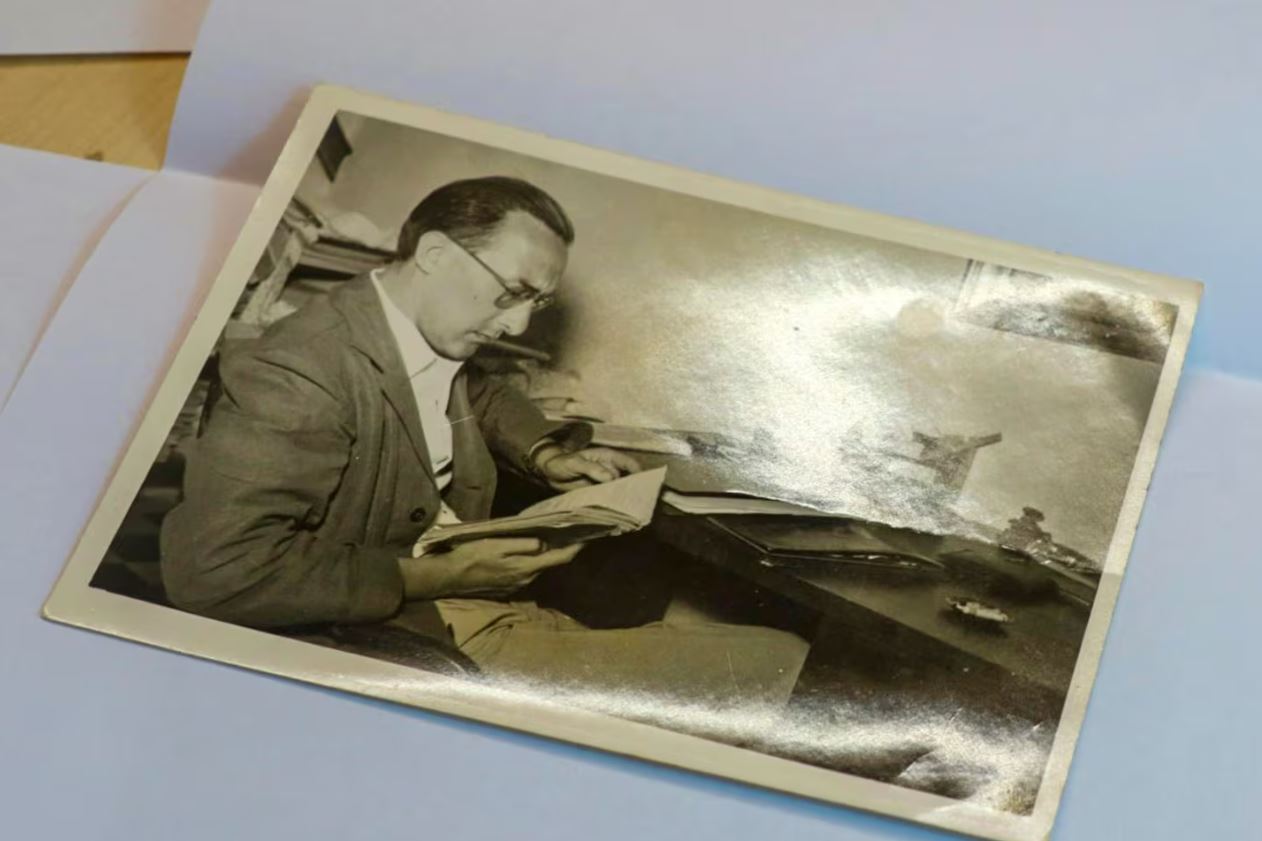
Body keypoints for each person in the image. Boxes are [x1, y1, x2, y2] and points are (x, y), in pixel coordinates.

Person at [161, 176, 806, 714]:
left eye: (537, 302)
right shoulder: (300, 371)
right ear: (435, 254)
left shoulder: (417, 330)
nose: (519, 324)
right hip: (397, 633)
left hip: (463, 604)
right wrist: (440, 575)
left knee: (747, 656)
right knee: (785, 665)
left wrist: (547, 454)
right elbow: (215, 576)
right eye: (514, 292)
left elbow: (482, 395)